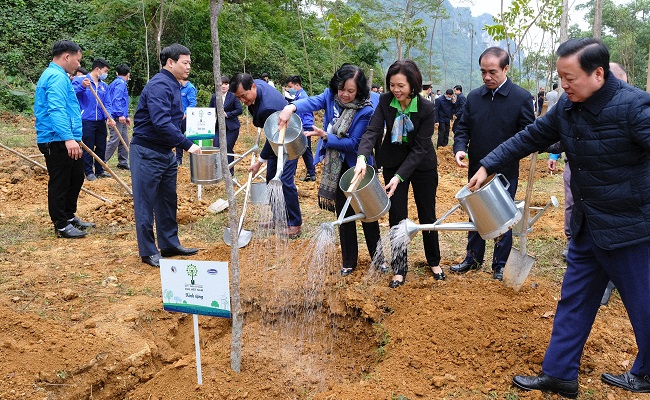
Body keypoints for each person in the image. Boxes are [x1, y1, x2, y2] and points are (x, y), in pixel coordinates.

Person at [467, 38, 650, 398]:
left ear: (598, 73)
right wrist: (489, 163)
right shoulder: (567, 106)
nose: (562, 86)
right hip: (587, 224)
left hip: (630, 228)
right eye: (560, 78)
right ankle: (560, 374)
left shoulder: (634, 107)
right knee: (575, 299)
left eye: (570, 78)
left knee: (643, 301)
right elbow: (532, 135)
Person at [278, 65, 387, 276]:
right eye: (341, 89)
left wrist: (327, 137)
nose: (345, 94)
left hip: (358, 166)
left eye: (351, 91)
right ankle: (349, 261)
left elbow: (353, 143)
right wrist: (290, 108)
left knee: (368, 214)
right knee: (344, 213)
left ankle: (379, 259)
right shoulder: (329, 96)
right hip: (335, 168)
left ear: (360, 91)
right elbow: (311, 102)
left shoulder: (365, 109)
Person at [355, 59, 443, 288]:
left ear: (413, 85)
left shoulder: (426, 108)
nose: (396, 90)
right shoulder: (385, 102)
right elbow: (373, 130)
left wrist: (399, 177)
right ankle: (399, 269)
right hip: (393, 162)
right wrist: (362, 157)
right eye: (392, 85)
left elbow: (420, 148)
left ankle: (434, 261)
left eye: (401, 86)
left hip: (422, 165)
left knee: (427, 213)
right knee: (397, 216)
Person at [547, 62, 629, 307]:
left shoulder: (634, 108)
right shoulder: (580, 105)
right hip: (580, 171)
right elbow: (561, 133)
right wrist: (551, 152)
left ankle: (610, 281)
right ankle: (575, 242)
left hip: (619, 201)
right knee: (574, 207)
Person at [450, 47, 535, 280]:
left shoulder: (521, 98)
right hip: (477, 167)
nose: (487, 77)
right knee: (476, 212)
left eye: (492, 72)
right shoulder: (475, 98)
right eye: (483, 72)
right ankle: (473, 258)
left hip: (505, 170)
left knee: (503, 215)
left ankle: (500, 264)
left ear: (506, 69)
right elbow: (463, 127)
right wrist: (459, 148)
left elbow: (528, 135)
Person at [131, 43, 201, 268]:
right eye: (185, 62)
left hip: (165, 153)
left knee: (167, 201)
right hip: (147, 151)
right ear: (170, 62)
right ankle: (148, 252)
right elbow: (160, 122)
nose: (189, 66)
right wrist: (187, 145)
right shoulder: (160, 85)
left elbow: (174, 119)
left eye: (189, 62)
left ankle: (169, 244)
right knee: (145, 203)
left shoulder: (174, 85)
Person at [35, 40, 96, 239]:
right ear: (67, 57)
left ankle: (69, 216)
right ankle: (61, 224)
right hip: (56, 139)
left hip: (67, 137)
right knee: (60, 181)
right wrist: (68, 138)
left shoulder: (61, 76)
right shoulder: (55, 77)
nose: (79, 65)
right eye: (78, 60)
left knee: (76, 176)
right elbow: (56, 109)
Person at [231, 73, 303, 238]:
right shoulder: (254, 85)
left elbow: (273, 138)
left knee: (284, 180)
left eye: (244, 96)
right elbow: (272, 137)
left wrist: (259, 162)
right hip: (277, 136)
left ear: (253, 87)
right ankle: (279, 218)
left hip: (290, 140)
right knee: (271, 178)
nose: (243, 101)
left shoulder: (267, 107)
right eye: (239, 97)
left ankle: (295, 223)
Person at [72, 57, 116, 181]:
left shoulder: (104, 86)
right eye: (105, 71)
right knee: (88, 146)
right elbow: (71, 93)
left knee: (101, 146)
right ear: (98, 69)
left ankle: (100, 169)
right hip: (86, 120)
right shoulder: (80, 80)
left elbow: (107, 103)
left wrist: (109, 116)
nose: (106, 74)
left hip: (100, 120)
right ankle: (88, 171)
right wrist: (82, 86)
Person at [285, 75, 316, 182]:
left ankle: (295, 173)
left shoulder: (303, 97)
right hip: (303, 126)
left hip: (305, 126)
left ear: (297, 85)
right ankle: (311, 173)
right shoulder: (298, 96)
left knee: (297, 149)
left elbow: (301, 115)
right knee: (305, 149)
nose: (289, 89)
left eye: (290, 87)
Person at [210, 75, 242, 176]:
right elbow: (210, 110)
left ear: (228, 85)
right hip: (219, 126)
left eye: (226, 84)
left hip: (232, 127)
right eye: (221, 84)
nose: (223, 86)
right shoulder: (215, 96)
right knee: (216, 146)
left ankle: (229, 171)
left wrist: (227, 114)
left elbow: (239, 110)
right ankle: (217, 170)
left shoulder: (233, 96)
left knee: (228, 146)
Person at [105, 64, 131, 170]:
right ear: (128, 74)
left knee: (124, 139)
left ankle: (123, 162)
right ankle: (101, 160)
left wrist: (126, 115)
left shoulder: (117, 83)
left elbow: (123, 102)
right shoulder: (120, 84)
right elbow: (117, 99)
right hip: (116, 117)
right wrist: (120, 114)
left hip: (121, 116)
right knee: (114, 140)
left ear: (117, 73)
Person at [175, 78, 197, 165]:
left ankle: (195, 156)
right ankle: (178, 159)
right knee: (178, 137)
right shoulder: (178, 87)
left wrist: (185, 114)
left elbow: (192, 103)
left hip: (187, 118)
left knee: (188, 137)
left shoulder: (190, 88)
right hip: (178, 117)